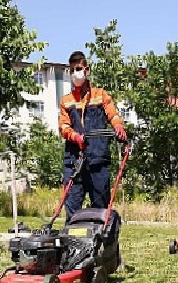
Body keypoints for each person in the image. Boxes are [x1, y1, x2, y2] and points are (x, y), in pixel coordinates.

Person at [58, 51, 127, 222]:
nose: (76, 73)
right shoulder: (66, 100)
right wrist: (76, 137)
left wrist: (118, 127)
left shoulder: (100, 95)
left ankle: (103, 246)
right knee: (72, 210)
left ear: (86, 70)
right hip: (74, 163)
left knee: (101, 209)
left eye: (79, 68)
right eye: (72, 70)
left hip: (98, 161)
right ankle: (73, 246)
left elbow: (113, 115)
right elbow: (64, 126)